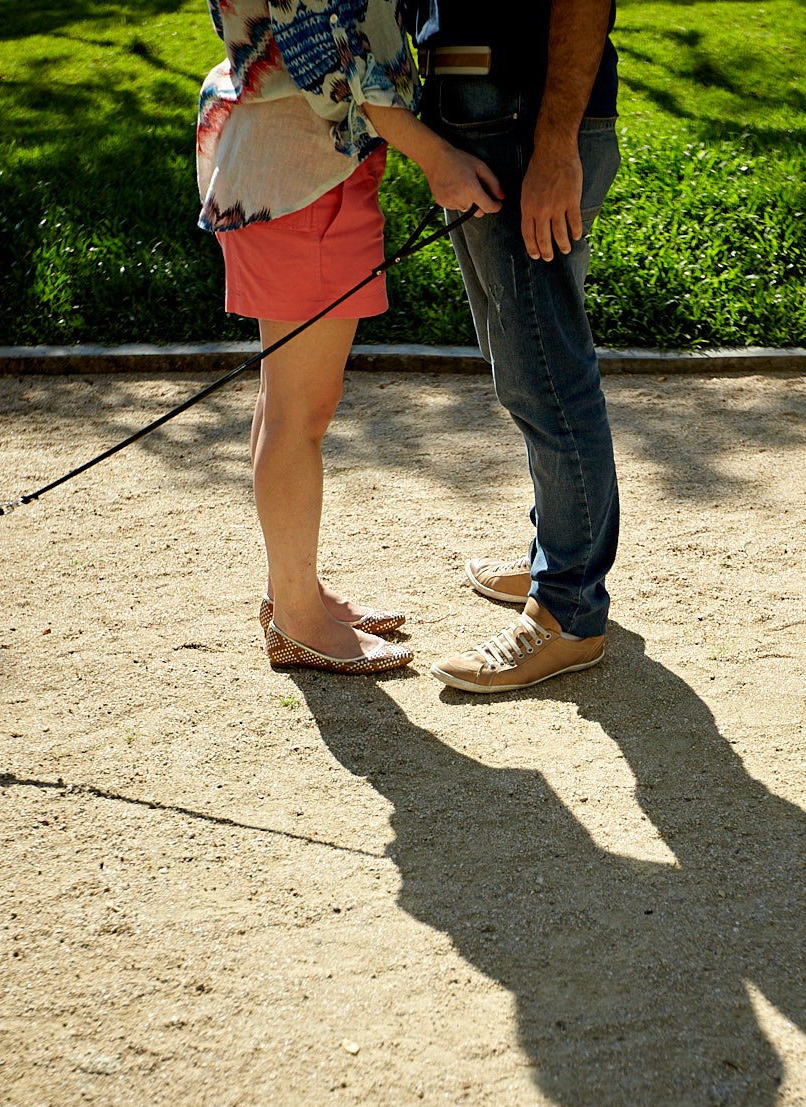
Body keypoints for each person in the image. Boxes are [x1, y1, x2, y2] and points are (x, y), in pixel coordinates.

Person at [196, 0, 501, 675]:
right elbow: (344, 55)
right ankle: (299, 621)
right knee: (300, 414)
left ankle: (293, 595)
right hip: (302, 176)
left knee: (287, 404)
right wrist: (437, 158)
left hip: (286, 162)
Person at [410, 0, 625, 693]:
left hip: (528, 126)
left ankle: (567, 611)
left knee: (547, 377)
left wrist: (557, 144)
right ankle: (557, 561)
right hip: (485, 121)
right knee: (527, 369)